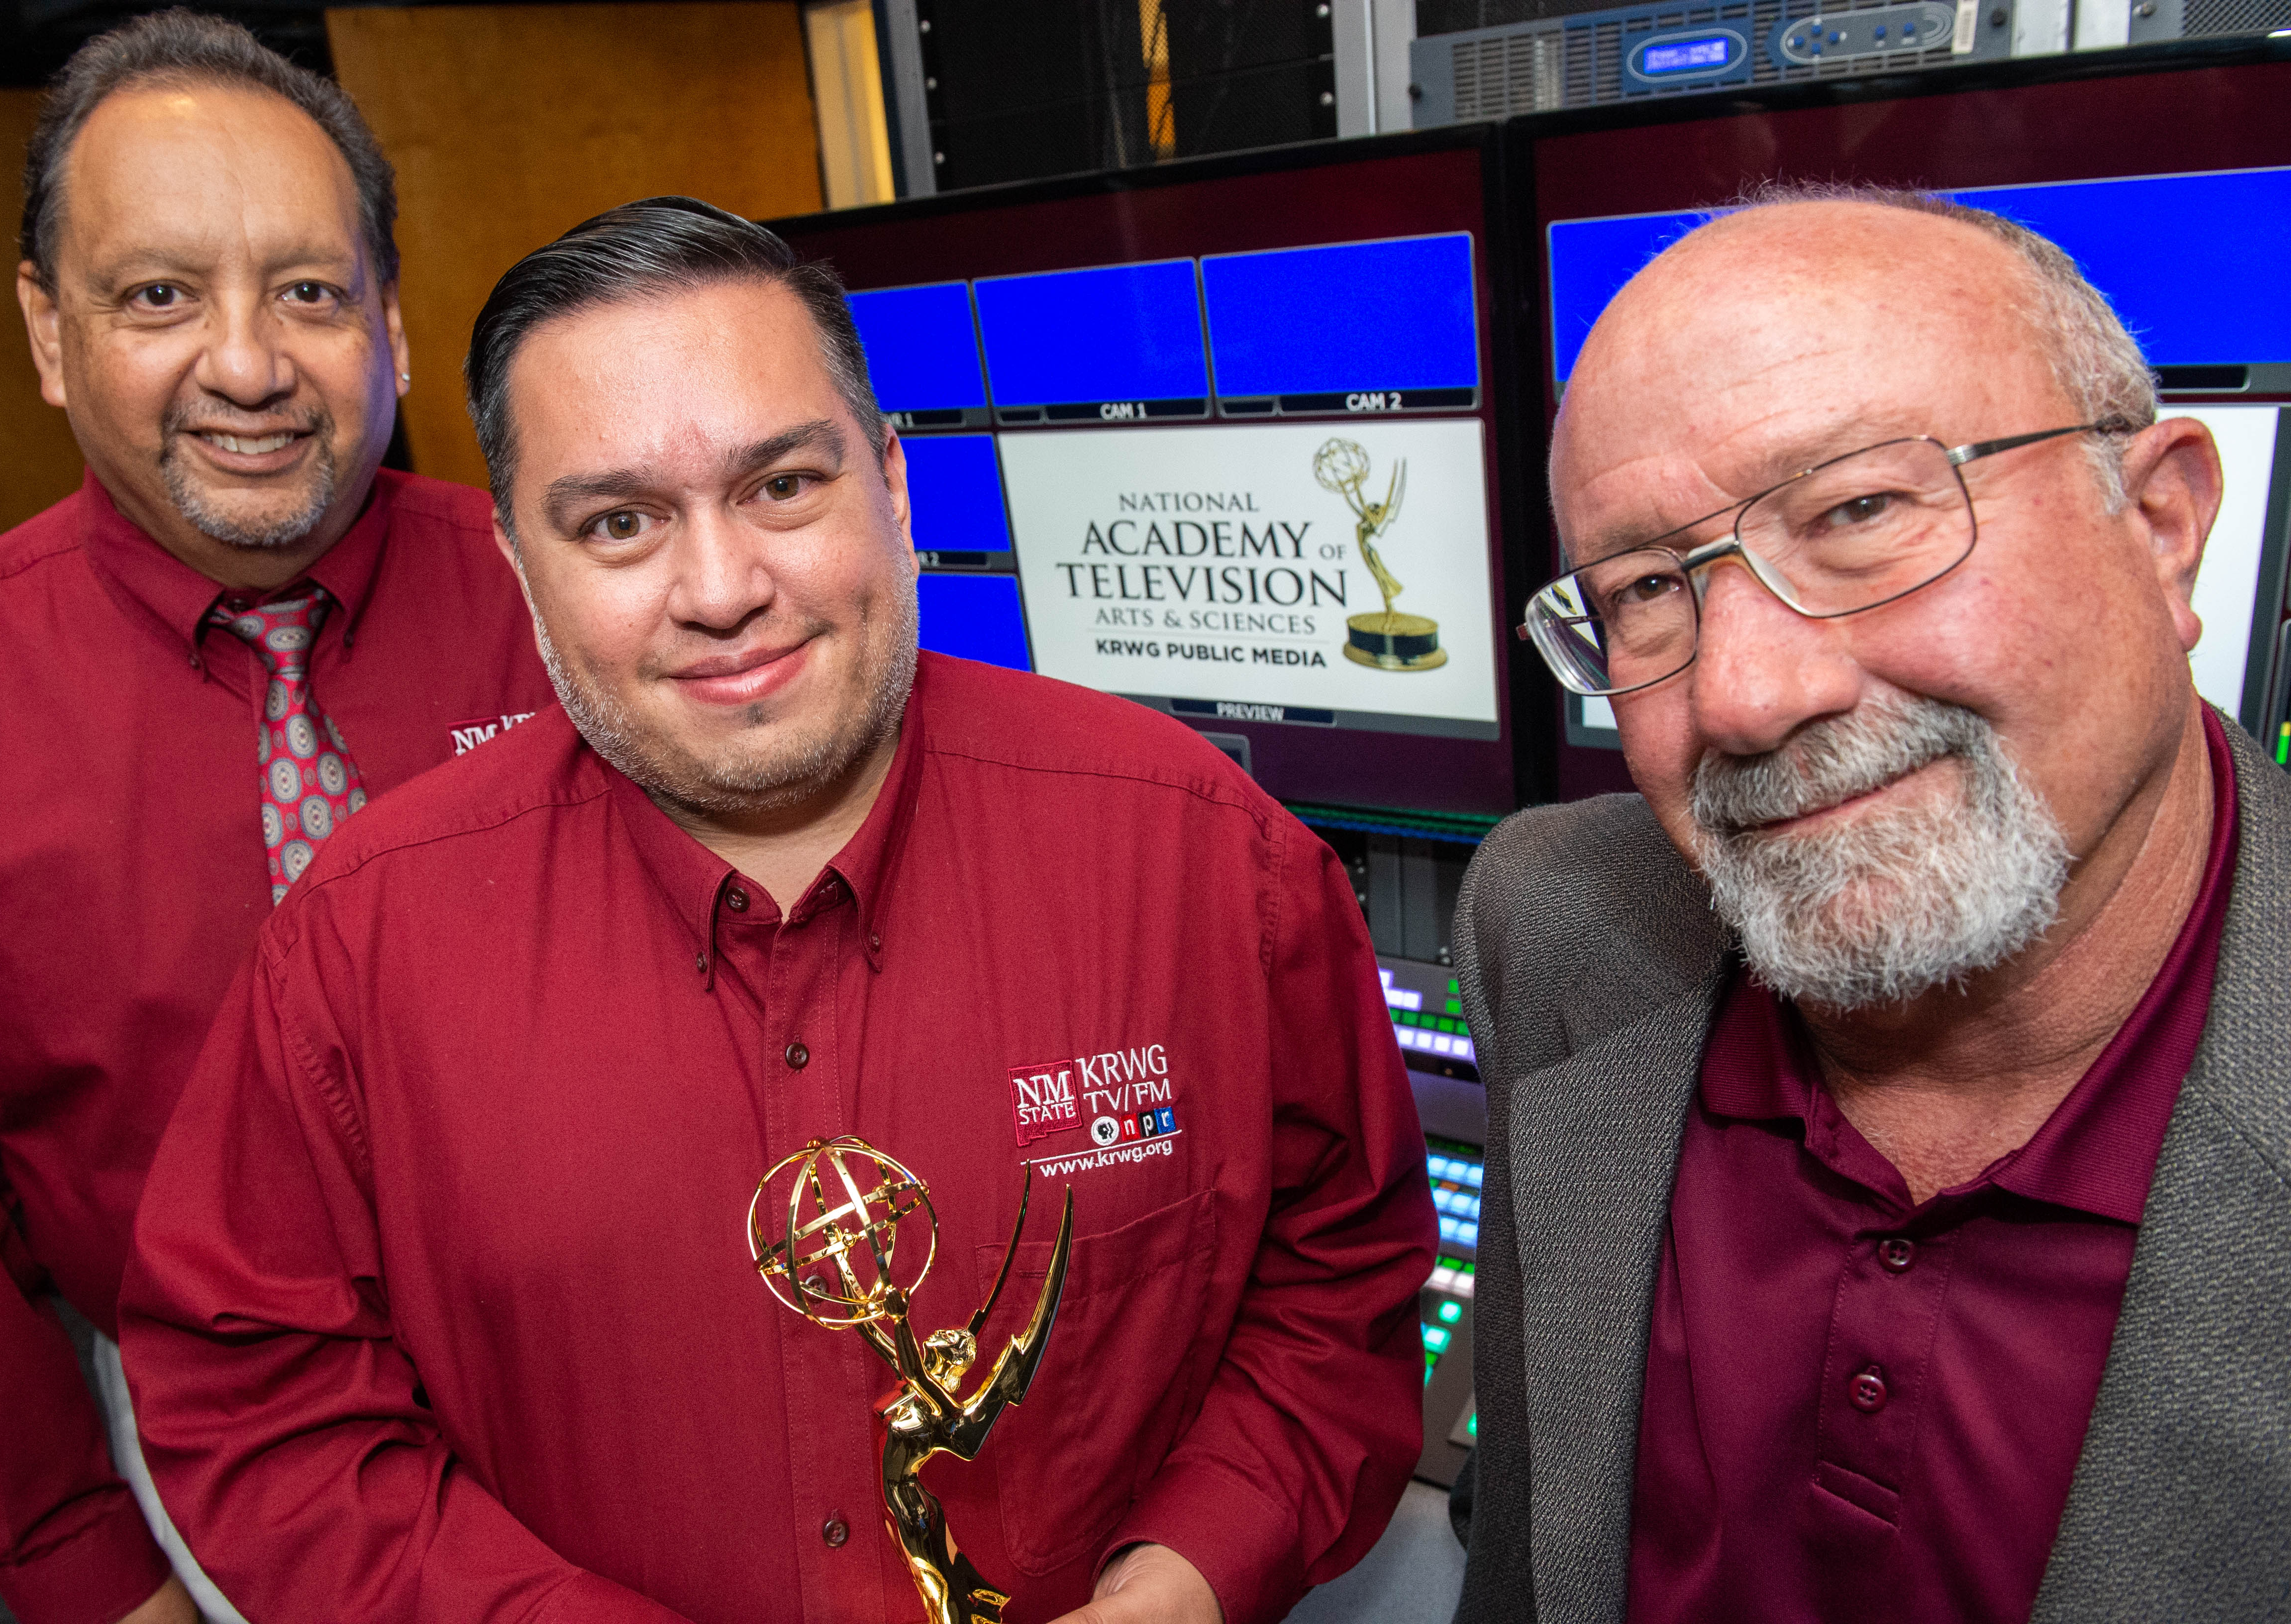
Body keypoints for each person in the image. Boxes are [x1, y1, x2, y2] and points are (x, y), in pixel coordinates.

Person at [118, 196, 1436, 1624]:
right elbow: (264, 1412)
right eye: (619, 522)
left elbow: (1339, 1292)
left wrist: (1191, 1577)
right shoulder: (361, 947)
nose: (723, 589)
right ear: (518, 565)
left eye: (784, 488)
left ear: (893, 484)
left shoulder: (1207, 861)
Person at [1446, 183, 2287, 1624]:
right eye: (1649, 588)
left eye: (1860, 510)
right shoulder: (1557, 920)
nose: (1747, 696)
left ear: (2159, 524)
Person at [0, 13, 550, 1624]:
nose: (248, 364)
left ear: (387, 317)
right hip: (206, 1445)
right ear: (46, 329)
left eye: (309, 291)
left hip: (618, 1367)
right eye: (159, 295)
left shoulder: (563, 594)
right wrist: (92, 1578)